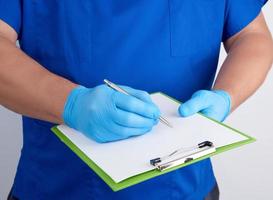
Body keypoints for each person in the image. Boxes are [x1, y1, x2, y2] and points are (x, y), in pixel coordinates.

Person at [0, 0, 272, 199]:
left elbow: (252, 36)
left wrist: (226, 96)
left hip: (187, 188)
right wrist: (70, 103)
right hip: (58, 188)